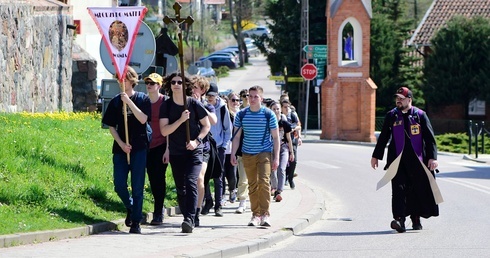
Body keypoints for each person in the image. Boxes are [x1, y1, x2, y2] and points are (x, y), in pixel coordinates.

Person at [371, 86, 439, 233]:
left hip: (418, 160)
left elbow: (430, 138)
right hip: (397, 160)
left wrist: (433, 158)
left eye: (401, 99)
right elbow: (383, 137)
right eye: (397, 98)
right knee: (398, 189)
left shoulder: (420, 115)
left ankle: (415, 218)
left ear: (409, 99)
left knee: (416, 189)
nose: (398, 101)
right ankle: (399, 220)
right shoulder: (392, 116)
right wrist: (376, 156)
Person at [102, 66, 151, 234]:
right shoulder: (116, 101)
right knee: (119, 185)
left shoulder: (142, 99)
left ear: (132, 80)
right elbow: (111, 126)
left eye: (124, 79)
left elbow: (144, 119)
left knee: (137, 187)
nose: (121, 82)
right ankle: (130, 207)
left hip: (139, 148)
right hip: (121, 149)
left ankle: (136, 222)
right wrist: (122, 144)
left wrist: (129, 102)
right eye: (119, 79)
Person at [159, 72, 210, 233]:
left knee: (191, 181)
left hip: (194, 152)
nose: (176, 84)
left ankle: (190, 218)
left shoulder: (193, 104)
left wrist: (196, 141)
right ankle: (188, 215)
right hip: (176, 152)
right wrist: (180, 120)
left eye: (179, 82)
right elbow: (164, 130)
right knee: (180, 187)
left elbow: (206, 126)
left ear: (185, 85)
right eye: (173, 82)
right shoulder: (166, 106)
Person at [230, 85, 280, 227]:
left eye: (255, 96)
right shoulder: (241, 114)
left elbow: (276, 138)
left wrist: (276, 157)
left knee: (263, 182)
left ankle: (265, 214)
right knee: (252, 185)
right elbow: (237, 137)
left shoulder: (268, 114)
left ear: (261, 98)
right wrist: (233, 153)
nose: (252, 99)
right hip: (247, 153)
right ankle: (255, 214)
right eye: (249, 96)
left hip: (264, 152)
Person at [189, 75, 217, 227]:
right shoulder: (186, 103)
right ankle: (190, 211)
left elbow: (213, 121)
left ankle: (197, 211)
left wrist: (199, 104)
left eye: (196, 87)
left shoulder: (208, 105)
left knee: (200, 179)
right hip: (186, 147)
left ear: (203, 90)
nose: (193, 90)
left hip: (203, 148)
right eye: (192, 87)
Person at [144, 73, 169, 226]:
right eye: (147, 82)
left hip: (161, 145)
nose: (149, 85)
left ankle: (158, 212)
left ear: (159, 86)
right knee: (147, 179)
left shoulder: (165, 102)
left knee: (158, 179)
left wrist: (168, 149)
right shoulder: (143, 101)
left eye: (152, 83)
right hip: (145, 146)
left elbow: (170, 128)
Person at [204, 83, 232, 217]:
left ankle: (218, 205)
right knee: (204, 175)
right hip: (206, 145)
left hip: (219, 146)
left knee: (218, 177)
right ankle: (208, 200)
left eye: (212, 96)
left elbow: (228, 129)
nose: (209, 98)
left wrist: (225, 145)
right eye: (208, 95)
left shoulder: (222, 108)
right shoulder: (203, 106)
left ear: (217, 96)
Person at [269, 101, 294, 202]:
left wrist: (291, 152)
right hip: (271, 148)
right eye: (274, 109)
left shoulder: (285, 123)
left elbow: (289, 138)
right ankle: (274, 188)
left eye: (278, 109)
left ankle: (279, 191)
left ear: (280, 110)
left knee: (281, 168)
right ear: (271, 110)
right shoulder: (268, 123)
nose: (276, 111)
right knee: (273, 170)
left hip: (283, 148)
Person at [281, 100, 302, 189]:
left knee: (293, 161)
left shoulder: (292, 115)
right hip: (282, 142)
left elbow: (299, 126)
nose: (287, 109)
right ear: (281, 107)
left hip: (292, 141)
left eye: (288, 107)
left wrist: (292, 129)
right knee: (284, 162)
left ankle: (290, 178)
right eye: (285, 107)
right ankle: (283, 179)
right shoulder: (279, 116)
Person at [223, 92, 240, 204]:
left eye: (237, 100)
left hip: (235, 148)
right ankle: (222, 194)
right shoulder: (225, 114)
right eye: (233, 100)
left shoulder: (241, 114)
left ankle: (233, 190)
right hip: (225, 147)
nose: (235, 102)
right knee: (222, 173)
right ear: (228, 101)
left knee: (232, 173)